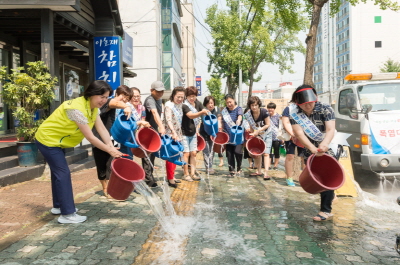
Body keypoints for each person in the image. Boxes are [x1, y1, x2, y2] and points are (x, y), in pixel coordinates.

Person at [35, 80, 123, 224]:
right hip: (48, 140)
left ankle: (59, 206)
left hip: (58, 141)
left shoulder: (93, 108)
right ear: (92, 94)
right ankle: (67, 214)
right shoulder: (76, 109)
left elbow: (101, 129)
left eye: (106, 97)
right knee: (63, 173)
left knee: (58, 174)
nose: (104, 100)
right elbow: (91, 137)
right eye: (102, 96)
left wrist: (111, 147)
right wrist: (109, 150)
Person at [289, 84, 336, 222]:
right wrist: (312, 148)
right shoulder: (295, 113)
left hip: (329, 145)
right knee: (316, 177)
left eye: (310, 103)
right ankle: (330, 195)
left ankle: (325, 210)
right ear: (298, 103)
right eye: (304, 104)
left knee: (326, 176)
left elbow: (330, 130)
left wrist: (325, 144)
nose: (308, 106)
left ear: (315, 98)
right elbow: (299, 133)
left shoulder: (326, 108)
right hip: (309, 148)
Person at [92, 85, 133, 197]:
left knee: (112, 164)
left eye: (127, 98)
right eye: (123, 96)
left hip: (112, 139)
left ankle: (110, 188)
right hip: (98, 139)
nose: (124, 100)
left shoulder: (117, 107)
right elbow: (114, 102)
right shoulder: (107, 102)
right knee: (101, 166)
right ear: (117, 94)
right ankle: (105, 187)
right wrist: (126, 106)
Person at [182, 86, 209, 181]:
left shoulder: (197, 103)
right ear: (186, 96)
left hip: (193, 133)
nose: (192, 98)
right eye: (189, 96)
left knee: (193, 153)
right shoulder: (184, 105)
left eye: (193, 96)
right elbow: (190, 115)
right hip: (184, 132)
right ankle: (186, 174)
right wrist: (201, 112)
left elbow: (204, 111)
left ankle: (193, 173)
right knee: (186, 154)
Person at [143, 81, 166, 187]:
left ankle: (149, 176)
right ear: (151, 91)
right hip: (146, 132)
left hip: (154, 132)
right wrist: (161, 126)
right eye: (158, 91)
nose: (160, 93)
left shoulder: (159, 99)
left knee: (152, 156)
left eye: (162, 91)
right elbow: (154, 112)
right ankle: (148, 179)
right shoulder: (150, 100)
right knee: (147, 155)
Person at [243, 96, 271, 180]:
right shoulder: (248, 115)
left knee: (266, 153)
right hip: (257, 134)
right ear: (250, 106)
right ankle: (258, 171)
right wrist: (253, 134)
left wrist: (258, 131)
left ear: (259, 105)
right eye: (252, 105)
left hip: (267, 133)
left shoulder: (264, 112)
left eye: (255, 105)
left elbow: (268, 124)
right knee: (258, 153)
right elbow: (251, 126)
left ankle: (266, 173)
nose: (254, 107)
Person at [163, 86, 185, 188]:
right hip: (170, 135)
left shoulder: (179, 106)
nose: (180, 99)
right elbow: (168, 120)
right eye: (178, 97)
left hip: (178, 134)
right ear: (173, 95)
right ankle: (170, 179)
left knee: (176, 155)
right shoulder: (169, 105)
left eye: (182, 97)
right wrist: (173, 132)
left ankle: (172, 175)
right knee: (171, 156)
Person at [118, 87, 150, 156]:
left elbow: (142, 121)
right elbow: (126, 124)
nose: (136, 98)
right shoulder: (126, 107)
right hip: (126, 136)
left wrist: (139, 135)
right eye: (134, 96)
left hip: (135, 136)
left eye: (138, 96)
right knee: (126, 156)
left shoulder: (142, 108)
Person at [282, 105, 305, 187]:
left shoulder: (309, 107)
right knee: (290, 156)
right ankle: (289, 178)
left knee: (304, 157)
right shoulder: (289, 108)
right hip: (291, 136)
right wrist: (292, 134)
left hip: (304, 136)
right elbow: (286, 122)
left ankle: (305, 179)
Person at [199, 96, 223, 175]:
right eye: (208, 103)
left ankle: (210, 166)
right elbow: (203, 121)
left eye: (212, 103)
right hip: (204, 133)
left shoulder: (217, 109)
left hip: (213, 133)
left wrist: (219, 127)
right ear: (206, 104)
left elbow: (219, 118)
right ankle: (208, 167)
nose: (210, 105)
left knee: (212, 151)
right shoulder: (204, 111)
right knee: (206, 150)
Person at [221, 94, 243, 176]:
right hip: (228, 135)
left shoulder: (239, 108)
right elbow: (223, 122)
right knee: (229, 153)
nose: (229, 104)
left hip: (237, 136)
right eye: (227, 103)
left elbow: (240, 116)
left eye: (230, 102)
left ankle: (239, 167)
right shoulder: (224, 111)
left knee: (237, 151)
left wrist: (238, 120)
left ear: (234, 100)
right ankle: (231, 169)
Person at [266, 102, 283, 170]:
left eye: (271, 108)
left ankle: (275, 165)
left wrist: (282, 138)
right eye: (269, 108)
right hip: (268, 137)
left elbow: (281, 127)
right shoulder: (266, 116)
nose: (270, 110)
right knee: (268, 151)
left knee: (276, 151)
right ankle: (269, 165)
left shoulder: (279, 116)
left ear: (274, 109)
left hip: (276, 137)